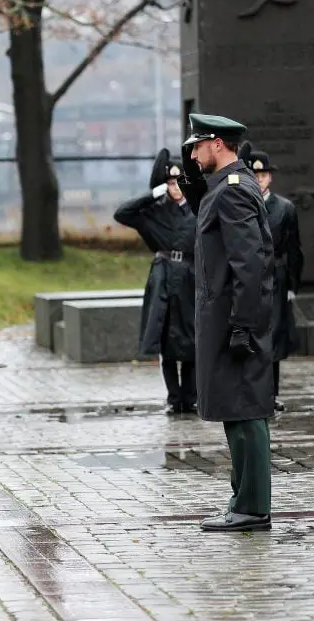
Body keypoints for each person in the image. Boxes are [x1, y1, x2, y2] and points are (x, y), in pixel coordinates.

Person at [179, 113, 275, 532]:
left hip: (235, 320)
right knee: (235, 411)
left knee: (246, 411)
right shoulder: (224, 187)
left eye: (196, 146)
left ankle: (253, 508)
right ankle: (242, 500)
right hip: (226, 317)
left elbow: (248, 263)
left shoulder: (234, 191)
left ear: (217, 144)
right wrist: (196, 187)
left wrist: (242, 324)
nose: (192, 153)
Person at [114, 150, 197, 414]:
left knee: (192, 337)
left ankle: (191, 397)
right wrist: (152, 193)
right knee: (167, 338)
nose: (175, 188)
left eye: (179, 182)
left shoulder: (198, 210)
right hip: (163, 276)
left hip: (190, 276)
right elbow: (122, 214)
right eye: (171, 183)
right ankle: (174, 398)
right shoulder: (155, 212)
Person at [245, 151, 303, 412]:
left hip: (276, 276)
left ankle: (272, 393)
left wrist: (292, 284)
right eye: (255, 175)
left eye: (263, 175)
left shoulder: (285, 208)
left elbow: (294, 249)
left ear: (270, 177)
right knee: (250, 333)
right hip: (249, 276)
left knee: (274, 335)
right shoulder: (241, 204)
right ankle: (252, 392)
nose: (259, 180)